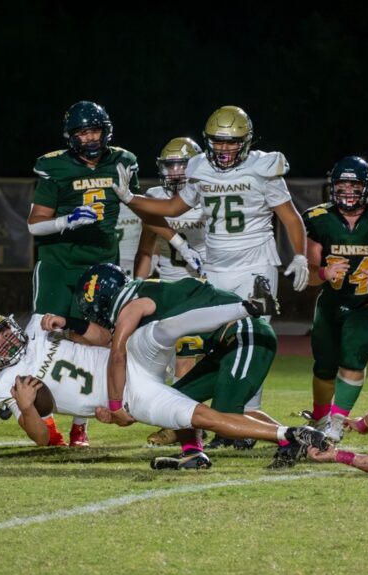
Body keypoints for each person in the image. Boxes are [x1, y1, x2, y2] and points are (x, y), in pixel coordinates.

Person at [112, 105, 309, 440]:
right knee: (216, 341)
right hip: (216, 267)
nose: (224, 148)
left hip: (254, 264)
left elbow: (290, 218)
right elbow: (174, 208)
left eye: (231, 142)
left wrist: (301, 255)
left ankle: (243, 424)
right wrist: (132, 198)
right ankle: (219, 416)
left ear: (246, 142)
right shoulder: (199, 166)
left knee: (250, 337)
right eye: (218, 141)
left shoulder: (263, 167)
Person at [27, 101, 202, 447]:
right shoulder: (54, 166)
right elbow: (34, 225)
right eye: (82, 132)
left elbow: (143, 210)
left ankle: (81, 423)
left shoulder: (122, 160)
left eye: (94, 130)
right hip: (59, 264)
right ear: (71, 136)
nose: (90, 138)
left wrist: (180, 243)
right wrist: (65, 222)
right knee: (42, 336)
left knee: (93, 342)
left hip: (99, 267)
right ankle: (43, 417)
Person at [0, 308, 328, 470]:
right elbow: (41, 439)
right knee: (203, 415)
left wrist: (70, 323)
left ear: (12, 327)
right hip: (129, 397)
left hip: (123, 357)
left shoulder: (37, 325)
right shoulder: (6, 384)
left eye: (2, 333)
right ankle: (291, 433)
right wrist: (29, 408)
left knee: (161, 327)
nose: (3, 343)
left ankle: (241, 308)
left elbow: (105, 337)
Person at [68, 263, 326, 468]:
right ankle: (193, 453)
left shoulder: (134, 305)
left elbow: (117, 353)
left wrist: (115, 405)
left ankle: (292, 437)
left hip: (244, 334)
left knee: (224, 413)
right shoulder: (144, 294)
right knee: (178, 399)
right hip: (225, 344)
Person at [300, 156, 368, 443]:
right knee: (323, 365)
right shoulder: (318, 219)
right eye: (342, 184)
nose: (348, 191)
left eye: (354, 185)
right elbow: (308, 274)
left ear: (367, 187)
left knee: (352, 356)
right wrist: (324, 272)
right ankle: (320, 417)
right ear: (332, 187)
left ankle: (336, 424)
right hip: (332, 300)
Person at [132, 137, 209, 446]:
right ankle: (181, 422)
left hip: (202, 289)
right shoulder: (155, 196)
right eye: (170, 165)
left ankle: (188, 427)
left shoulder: (207, 193)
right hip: (168, 289)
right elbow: (146, 250)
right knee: (160, 362)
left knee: (187, 360)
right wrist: (135, 286)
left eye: (182, 165)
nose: (175, 172)